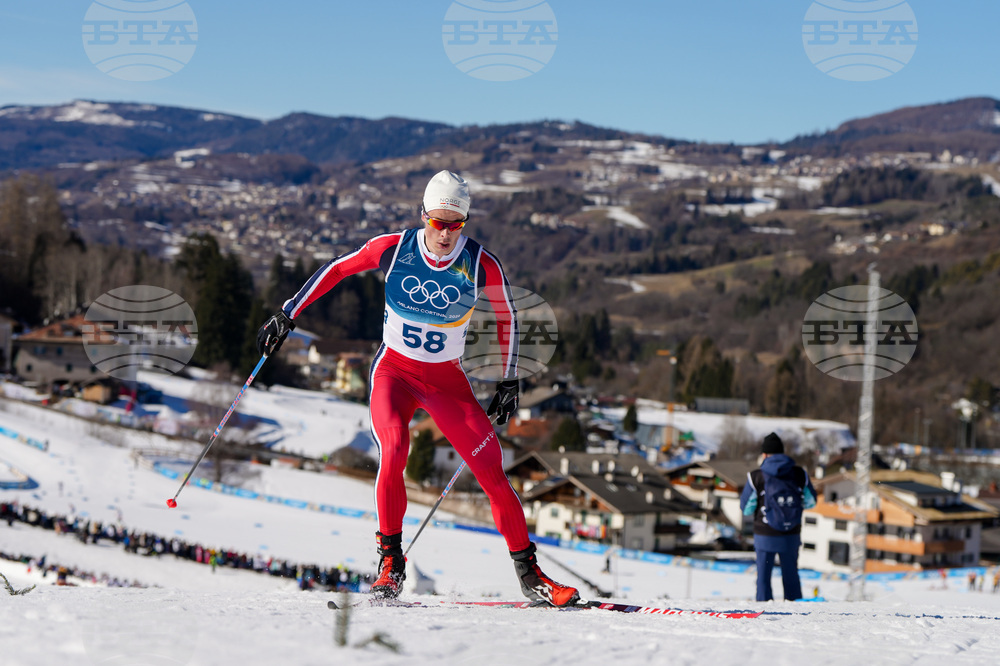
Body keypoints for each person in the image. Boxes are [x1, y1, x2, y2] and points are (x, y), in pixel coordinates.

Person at [256, 170, 579, 607]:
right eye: (438, 222)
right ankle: (390, 565)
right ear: (423, 214)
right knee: (394, 450)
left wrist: (509, 379)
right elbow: (337, 269)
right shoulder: (394, 248)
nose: (445, 234)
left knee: (492, 470)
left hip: (446, 381)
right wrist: (288, 312)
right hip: (394, 373)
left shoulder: (481, 263)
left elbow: (507, 318)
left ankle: (531, 576)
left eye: (456, 225)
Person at [739, 432, 816, 602]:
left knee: (763, 578)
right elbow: (811, 502)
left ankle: (764, 610)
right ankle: (796, 610)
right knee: (791, 576)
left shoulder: (756, 476)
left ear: (764, 454)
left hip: (764, 535)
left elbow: (746, 508)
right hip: (791, 534)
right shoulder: (800, 474)